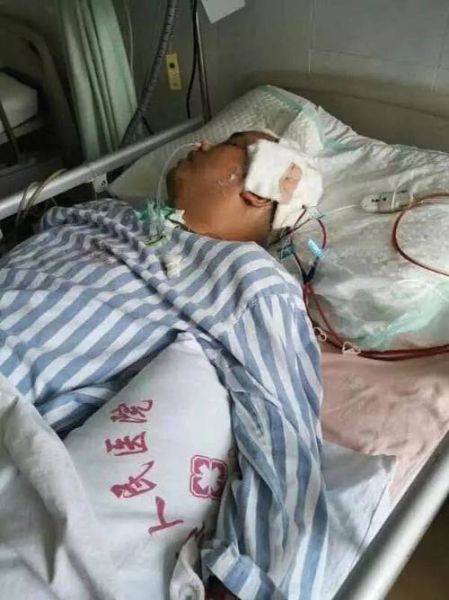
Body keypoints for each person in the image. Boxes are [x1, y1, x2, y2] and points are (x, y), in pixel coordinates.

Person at [0, 131, 328, 599]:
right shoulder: (107, 212)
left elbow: (286, 440)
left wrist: (246, 582)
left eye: (228, 143)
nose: (201, 144)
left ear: (260, 187)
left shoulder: (250, 280)